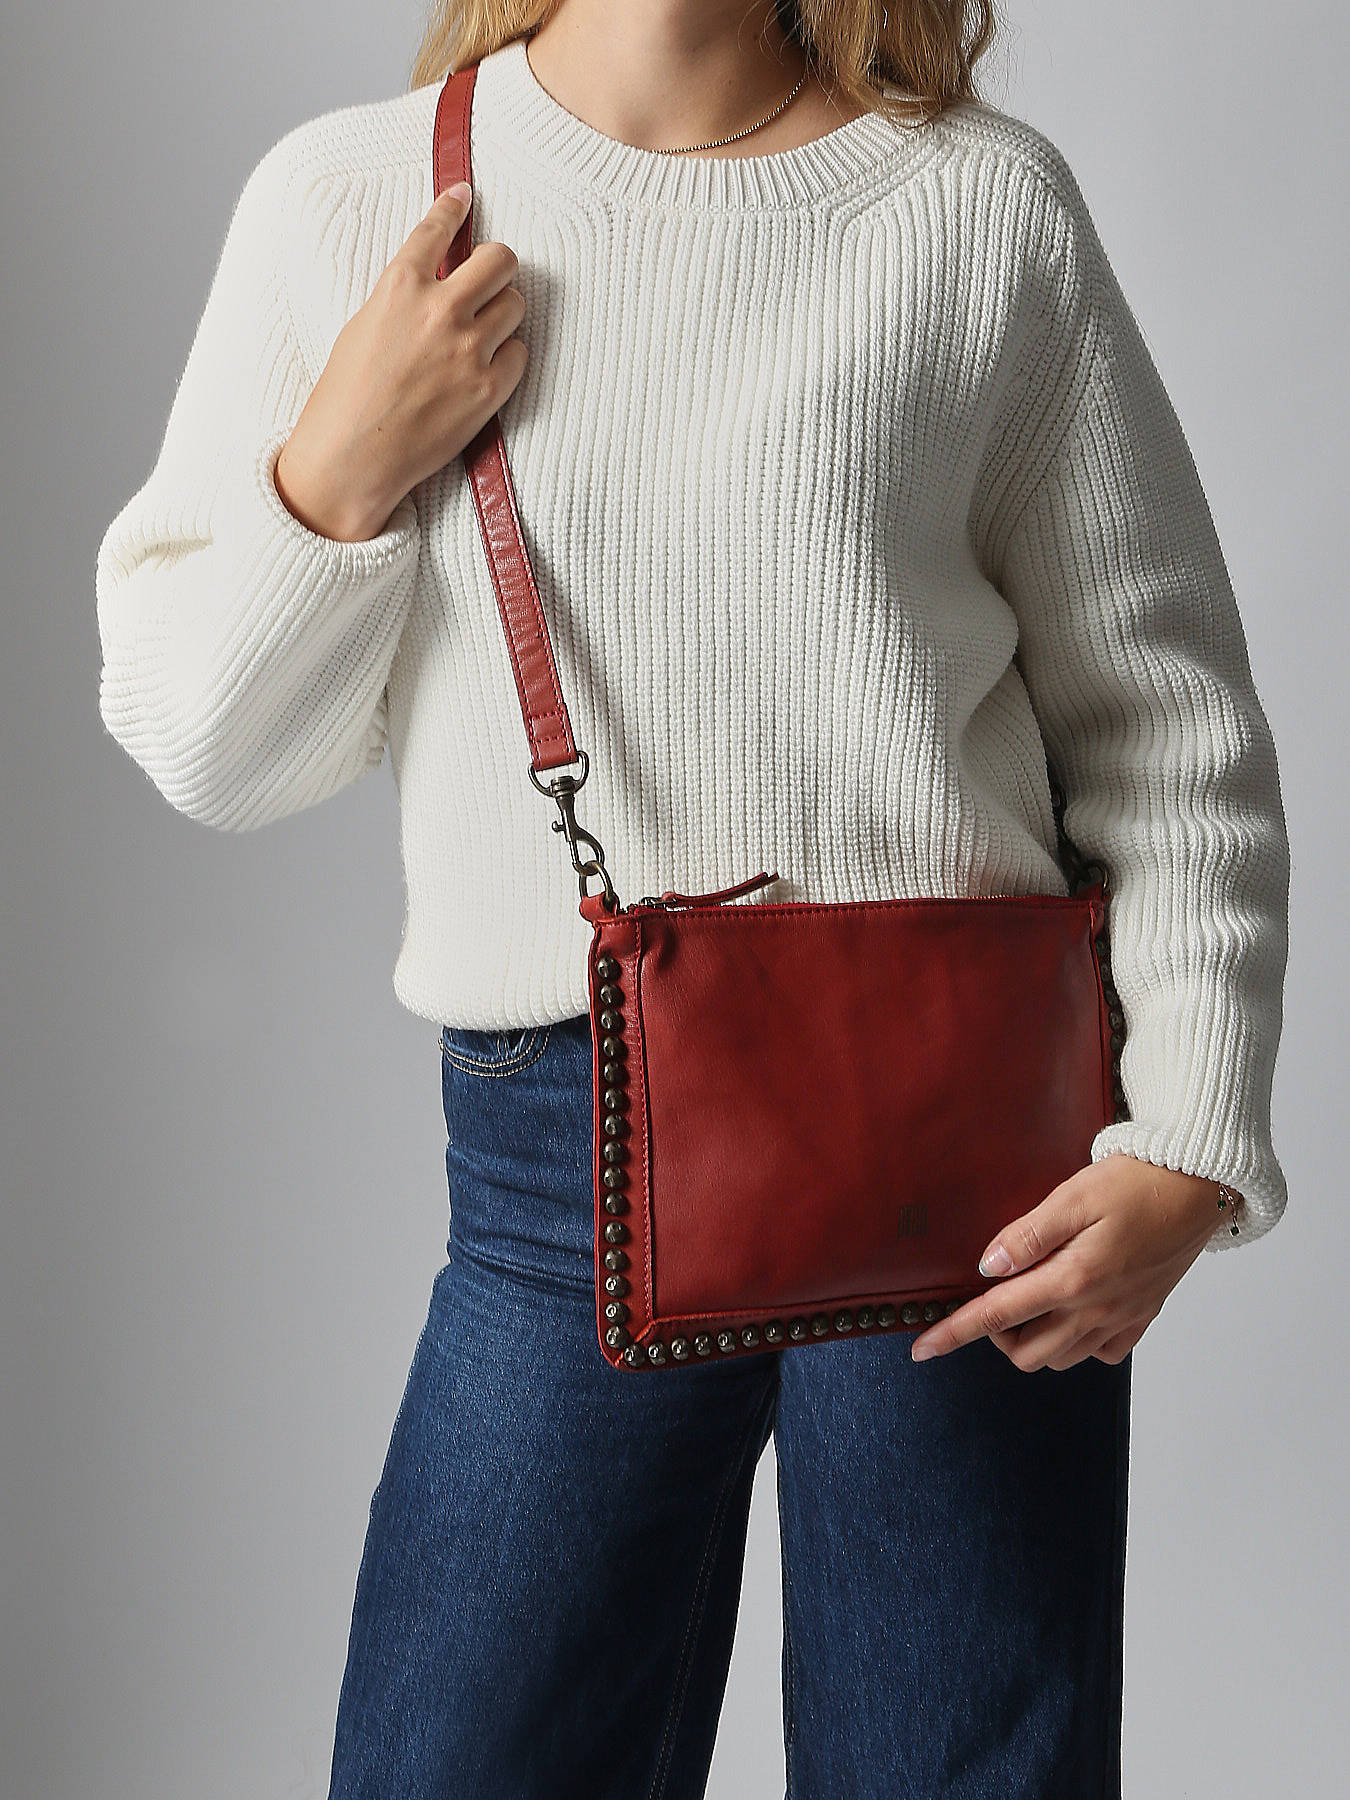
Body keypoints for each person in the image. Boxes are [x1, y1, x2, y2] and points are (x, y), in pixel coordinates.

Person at [92, 2, 1292, 1794]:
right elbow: (207, 747)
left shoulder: (978, 209)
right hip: (555, 1165)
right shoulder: (352, 200)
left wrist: (1188, 1135)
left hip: (964, 1156)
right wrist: (337, 465)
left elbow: (1162, 721)